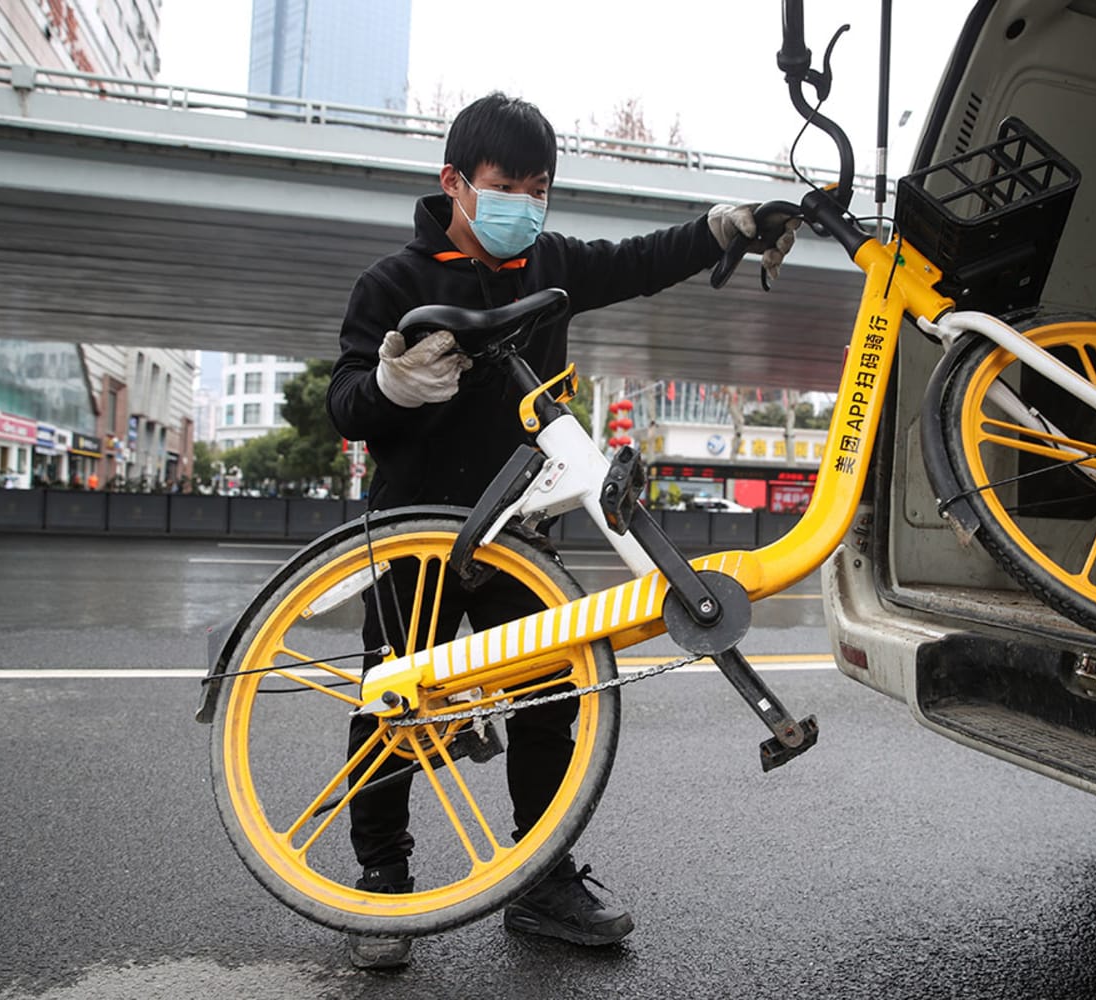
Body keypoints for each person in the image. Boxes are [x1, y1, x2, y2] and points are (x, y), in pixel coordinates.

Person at [326, 91, 798, 970]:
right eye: (508, 187)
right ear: (455, 184)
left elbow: (642, 260)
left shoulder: (548, 264)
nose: (526, 207)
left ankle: (542, 879)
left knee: (550, 699)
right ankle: (379, 883)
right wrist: (389, 387)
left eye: (540, 188)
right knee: (390, 707)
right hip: (416, 538)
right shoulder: (392, 284)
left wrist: (724, 227)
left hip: (520, 534)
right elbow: (344, 405)